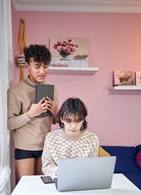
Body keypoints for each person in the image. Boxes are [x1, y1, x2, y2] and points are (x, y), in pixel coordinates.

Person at [7, 44, 59, 184]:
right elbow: (9, 123)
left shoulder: (52, 90)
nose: (42, 71)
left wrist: (56, 112)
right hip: (24, 148)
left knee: (43, 188)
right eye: (37, 66)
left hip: (46, 147)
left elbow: (56, 121)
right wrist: (30, 114)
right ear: (27, 67)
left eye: (45, 66)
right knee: (25, 189)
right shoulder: (15, 91)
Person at [42, 97, 99, 176]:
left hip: (83, 179)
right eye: (69, 121)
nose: (73, 126)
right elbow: (46, 166)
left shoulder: (92, 138)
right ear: (61, 119)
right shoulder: (51, 138)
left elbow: (93, 167)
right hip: (59, 177)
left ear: (83, 120)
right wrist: (60, 171)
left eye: (78, 121)